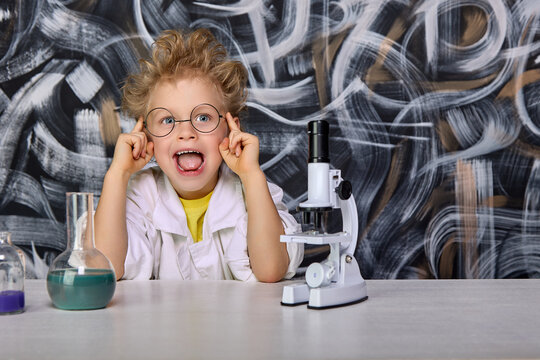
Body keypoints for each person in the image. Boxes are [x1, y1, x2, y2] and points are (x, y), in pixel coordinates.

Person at [94, 28, 303, 282]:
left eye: (203, 117)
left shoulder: (254, 192)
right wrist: (117, 174)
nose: (186, 132)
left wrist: (251, 175)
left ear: (231, 129)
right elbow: (102, 268)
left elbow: (271, 271)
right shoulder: (139, 196)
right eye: (167, 119)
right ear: (147, 136)